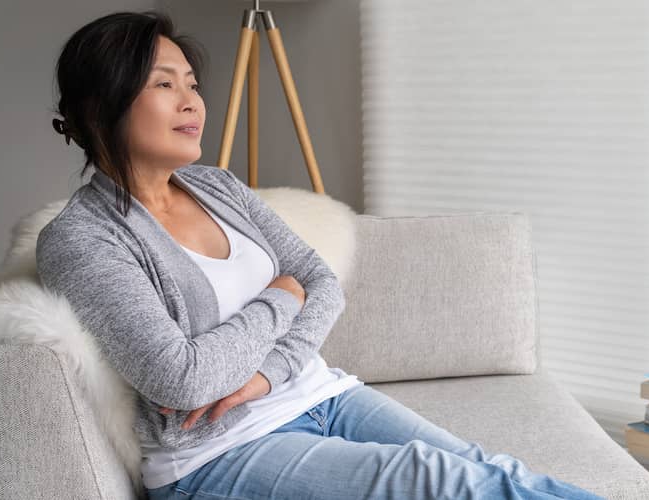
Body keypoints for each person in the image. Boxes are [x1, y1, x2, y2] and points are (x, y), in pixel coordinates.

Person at [36, 11, 603, 500]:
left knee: (491, 471)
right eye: (164, 85)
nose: (192, 102)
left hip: (320, 393)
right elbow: (184, 380)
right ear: (101, 103)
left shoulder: (218, 187)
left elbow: (321, 282)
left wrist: (265, 374)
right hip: (217, 454)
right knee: (436, 479)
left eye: (192, 82)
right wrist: (281, 294)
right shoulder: (82, 238)